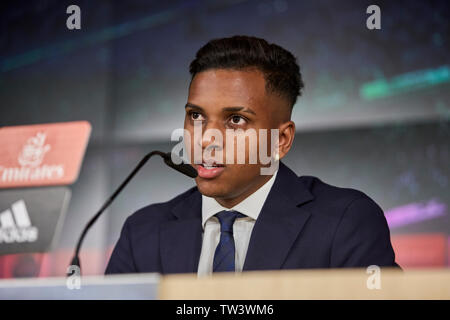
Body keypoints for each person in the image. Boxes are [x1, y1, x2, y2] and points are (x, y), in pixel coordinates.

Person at [105, 35, 399, 276]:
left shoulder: (345, 222)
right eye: (195, 115)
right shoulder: (142, 232)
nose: (206, 138)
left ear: (281, 140)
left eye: (235, 120)